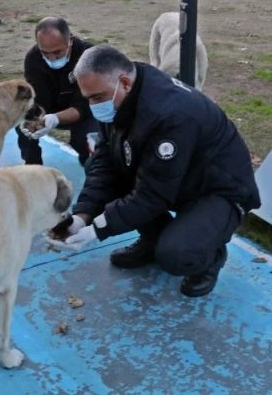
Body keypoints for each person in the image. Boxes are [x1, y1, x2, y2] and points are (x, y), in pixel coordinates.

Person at [49, 45, 261, 297]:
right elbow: (106, 161)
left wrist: (97, 229)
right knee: (101, 164)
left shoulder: (170, 114)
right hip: (176, 177)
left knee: (176, 254)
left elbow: (153, 195)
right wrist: (83, 215)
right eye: (88, 98)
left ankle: (210, 254)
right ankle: (152, 239)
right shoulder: (122, 95)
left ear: (124, 82)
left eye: (96, 97)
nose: (93, 105)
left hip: (218, 189)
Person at [17, 17, 98, 166]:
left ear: (70, 40)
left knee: (87, 140)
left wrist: (55, 119)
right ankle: (33, 169)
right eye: (45, 53)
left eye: (57, 52)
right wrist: (33, 119)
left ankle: (94, 172)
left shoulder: (89, 56)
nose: (51, 58)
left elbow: (85, 105)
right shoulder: (33, 58)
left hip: (87, 110)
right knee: (22, 120)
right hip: (51, 107)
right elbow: (38, 98)